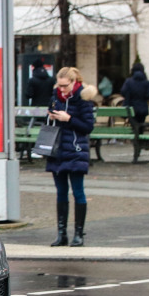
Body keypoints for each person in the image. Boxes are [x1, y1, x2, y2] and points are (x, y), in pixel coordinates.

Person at [46, 66, 95, 247]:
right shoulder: (55, 96)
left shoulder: (84, 98)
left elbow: (88, 127)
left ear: (74, 82)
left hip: (75, 150)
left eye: (65, 86)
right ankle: (61, 234)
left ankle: (79, 234)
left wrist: (69, 119)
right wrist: (51, 115)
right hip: (57, 149)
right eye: (59, 86)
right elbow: (50, 113)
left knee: (78, 191)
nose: (62, 89)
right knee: (61, 192)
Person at [119, 62, 149, 136]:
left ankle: (135, 138)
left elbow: (123, 92)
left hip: (131, 108)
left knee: (134, 125)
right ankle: (140, 138)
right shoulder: (147, 83)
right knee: (141, 125)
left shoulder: (128, 82)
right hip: (142, 109)